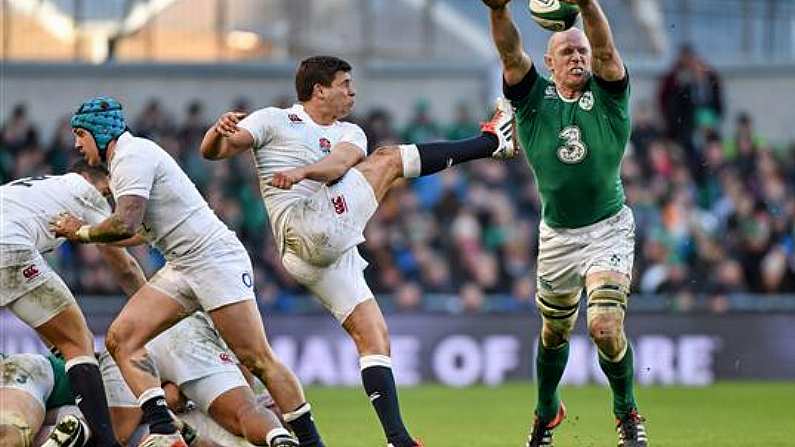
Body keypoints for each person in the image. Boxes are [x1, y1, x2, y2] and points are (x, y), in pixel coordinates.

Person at [200, 55, 517, 447]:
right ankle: (491, 142)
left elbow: (338, 165)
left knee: (374, 336)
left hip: (323, 250)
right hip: (306, 231)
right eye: (345, 84)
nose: (352, 91)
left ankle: (396, 439)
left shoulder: (350, 132)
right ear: (319, 90)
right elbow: (215, 151)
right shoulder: (273, 120)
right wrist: (216, 132)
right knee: (387, 161)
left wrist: (303, 172)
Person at [50, 97, 321, 447]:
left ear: (101, 134)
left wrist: (81, 232)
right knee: (121, 338)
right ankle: (165, 429)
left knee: (257, 358)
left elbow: (125, 222)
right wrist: (94, 234)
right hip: (182, 265)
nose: (76, 144)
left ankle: (312, 442)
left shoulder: (132, 157)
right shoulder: (124, 165)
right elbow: (140, 231)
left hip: (213, 259)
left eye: (81, 134)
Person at [481, 1, 648, 446]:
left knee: (604, 327)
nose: (578, 57)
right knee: (553, 333)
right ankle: (545, 412)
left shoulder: (610, 95)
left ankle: (626, 412)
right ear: (550, 63)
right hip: (556, 235)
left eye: (582, 51)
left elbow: (608, 52)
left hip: (609, 227)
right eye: (567, 53)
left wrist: (588, 3)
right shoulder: (533, 101)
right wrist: (499, 10)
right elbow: (512, 55)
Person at [0, 163, 146, 447]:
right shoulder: (85, 191)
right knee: (80, 342)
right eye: (108, 191)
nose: (109, 198)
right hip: (9, 245)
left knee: (66, 340)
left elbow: (43, 312)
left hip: (8, 243)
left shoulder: (35, 187)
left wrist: (60, 343)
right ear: (92, 180)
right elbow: (125, 265)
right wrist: (154, 306)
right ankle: (106, 442)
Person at [100, 312, 296, 447]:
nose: (275, 403)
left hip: (155, 423)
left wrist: (180, 424)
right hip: (160, 378)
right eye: (275, 402)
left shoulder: (238, 435)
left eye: (278, 410)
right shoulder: (243, 404)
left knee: (120, 434)